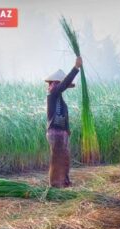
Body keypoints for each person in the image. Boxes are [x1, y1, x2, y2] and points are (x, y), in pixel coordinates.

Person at [44, 56, 82, 188]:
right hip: (55, 132)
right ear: (54, 83)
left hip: (61, 132)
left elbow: (63, 116)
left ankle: (64, 182)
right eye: (57, 83)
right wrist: (76, 68)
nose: (58, 86)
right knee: (57, 159)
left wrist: (67, 128)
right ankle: (55, 185)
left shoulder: (59, 97)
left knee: (65, 157)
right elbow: (65, 83)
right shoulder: (52, 94)